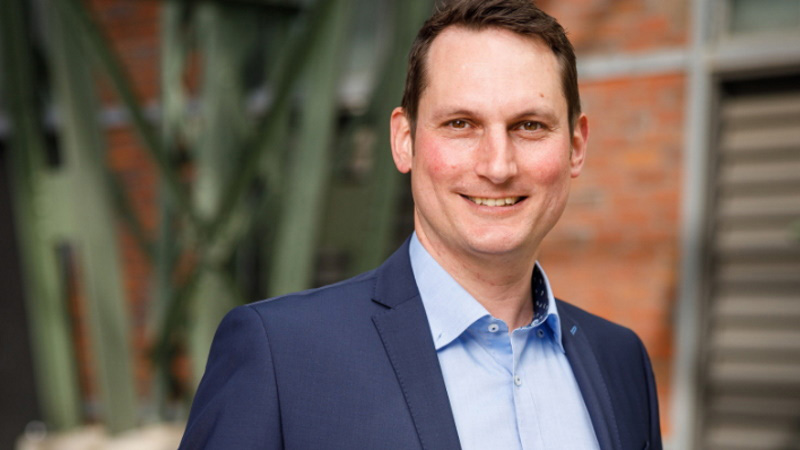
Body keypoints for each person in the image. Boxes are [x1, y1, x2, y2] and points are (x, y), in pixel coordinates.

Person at [178, 0, 662, 448]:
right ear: (404, 141)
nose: (498, 166)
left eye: (529, 126)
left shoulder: (621, 362)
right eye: (460, 124)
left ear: (575, 146)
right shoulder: (281, 356)